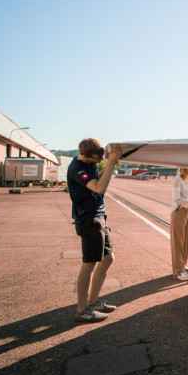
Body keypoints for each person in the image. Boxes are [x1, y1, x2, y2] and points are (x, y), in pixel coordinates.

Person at [67, 138, 123, 323]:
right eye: (95, 160)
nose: (98, 162)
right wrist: (112, 163)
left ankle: (94, 300)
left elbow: (96, 177)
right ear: (85, 155)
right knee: (89, 264)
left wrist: (108, 163)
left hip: (99, 217)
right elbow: (99, 188)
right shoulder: (77, 168)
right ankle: (82, 310)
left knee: (108, 258)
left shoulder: (89, 163)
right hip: (88, 219)